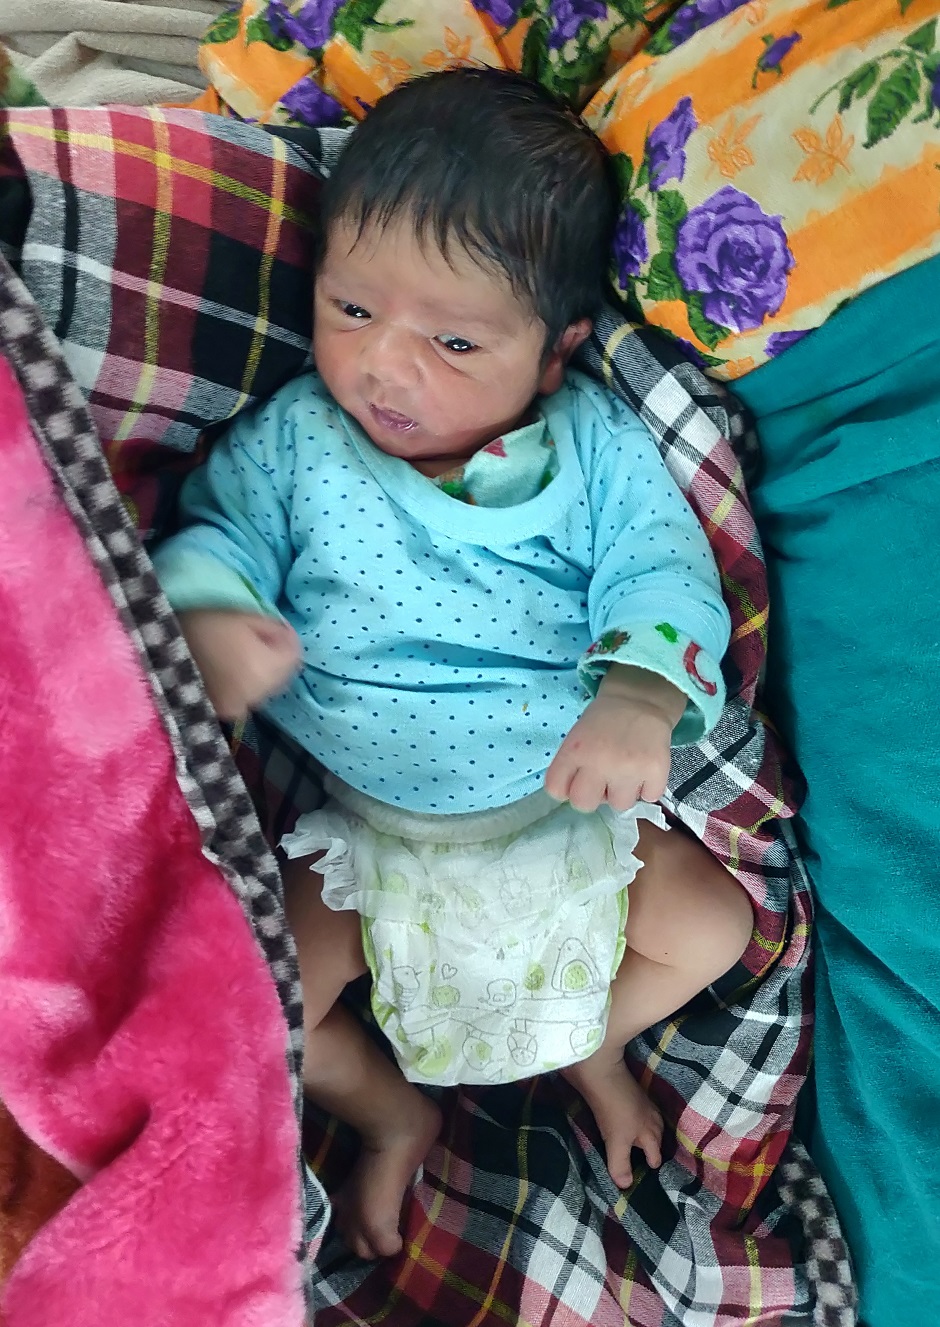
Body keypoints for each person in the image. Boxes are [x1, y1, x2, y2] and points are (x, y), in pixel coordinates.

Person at [153, 67, 754, 1262]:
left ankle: (587, 1037)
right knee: (250, 998)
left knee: (717, 925)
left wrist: (639, 694)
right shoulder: (293, 443)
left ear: (553, 354)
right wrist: (214, 623)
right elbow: (213, 535)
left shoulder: (588, 450)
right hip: (365, 845)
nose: (387, 368)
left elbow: (659, 572)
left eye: (454, 339)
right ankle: (388, 1111)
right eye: (352, 310)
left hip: (562, 819)